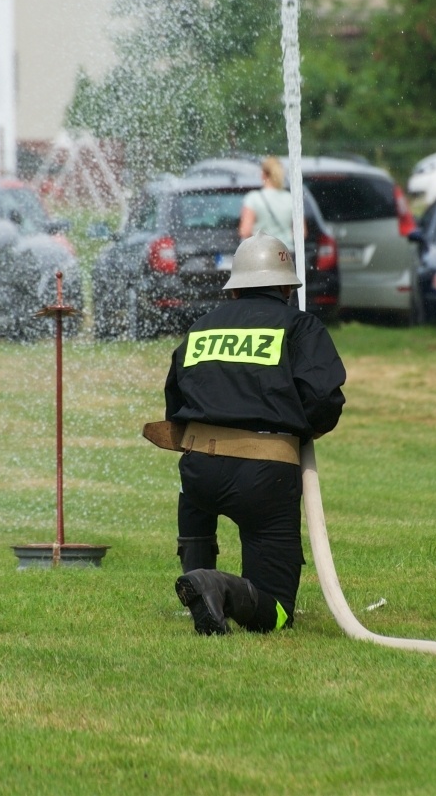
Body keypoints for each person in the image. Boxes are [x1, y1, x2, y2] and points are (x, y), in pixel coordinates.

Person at [163, 233, 346, 634]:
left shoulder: (200, 328)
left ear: (234, 289)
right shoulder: (299, 326)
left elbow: (175, 404)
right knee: (276, 614)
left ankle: (197, 576)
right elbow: (325, 400)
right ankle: (216, 587)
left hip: (198, 473)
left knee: (193, 495)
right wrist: (299, 431)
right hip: (265, 476)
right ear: (286, 286)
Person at [238, 156, 295, 249]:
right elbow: (301, 232)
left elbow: (245, 231)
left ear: (263, 175)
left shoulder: (253, 198)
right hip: (285, 254)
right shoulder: (290, 199)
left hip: (262, 254)